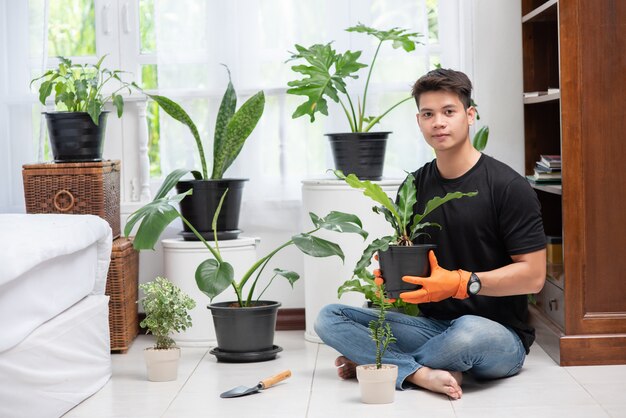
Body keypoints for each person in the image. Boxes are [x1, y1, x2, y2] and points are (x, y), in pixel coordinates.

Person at [314, 68, 547, 400]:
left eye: (449, 112)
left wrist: (461, 282)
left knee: (468, 333)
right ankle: (422, 372)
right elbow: (416, 264)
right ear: (419, 121)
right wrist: (394, 279)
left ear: (470, 115)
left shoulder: (508, 187)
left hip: (496, 334)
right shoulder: (413, 186)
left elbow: (533, 277)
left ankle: (384, 362)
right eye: (428, 114)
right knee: (329, 318)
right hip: (433, 328)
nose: (439, 122)